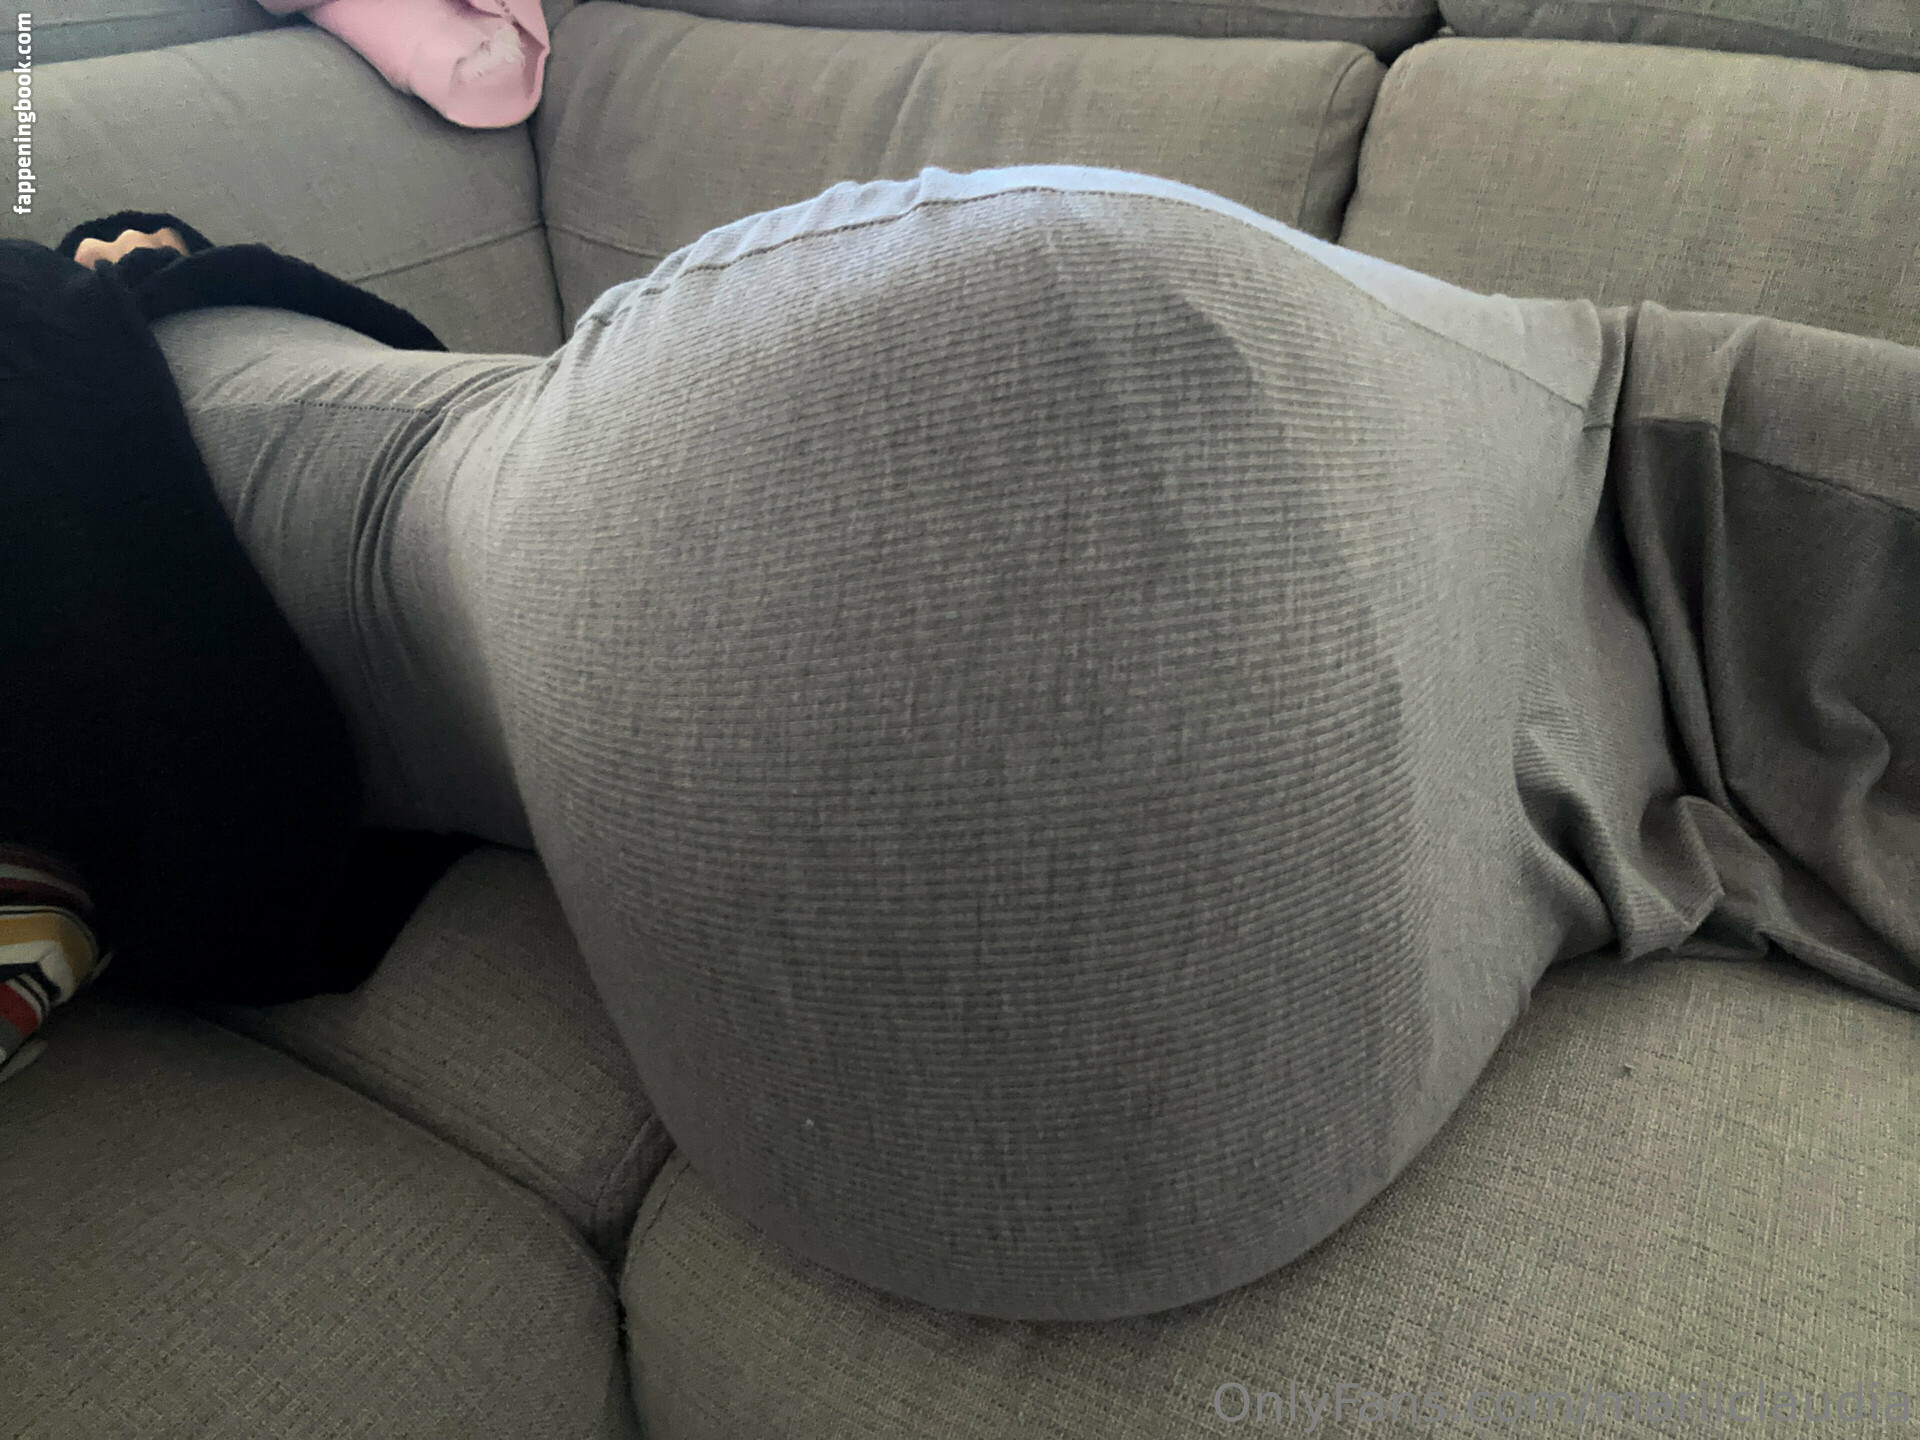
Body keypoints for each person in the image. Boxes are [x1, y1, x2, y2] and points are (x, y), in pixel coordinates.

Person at [141, 162, 1920, 1321]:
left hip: (1020, 1171)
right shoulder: (80, 308)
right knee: (1644, 431)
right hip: (867, 427)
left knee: (1638, 470)